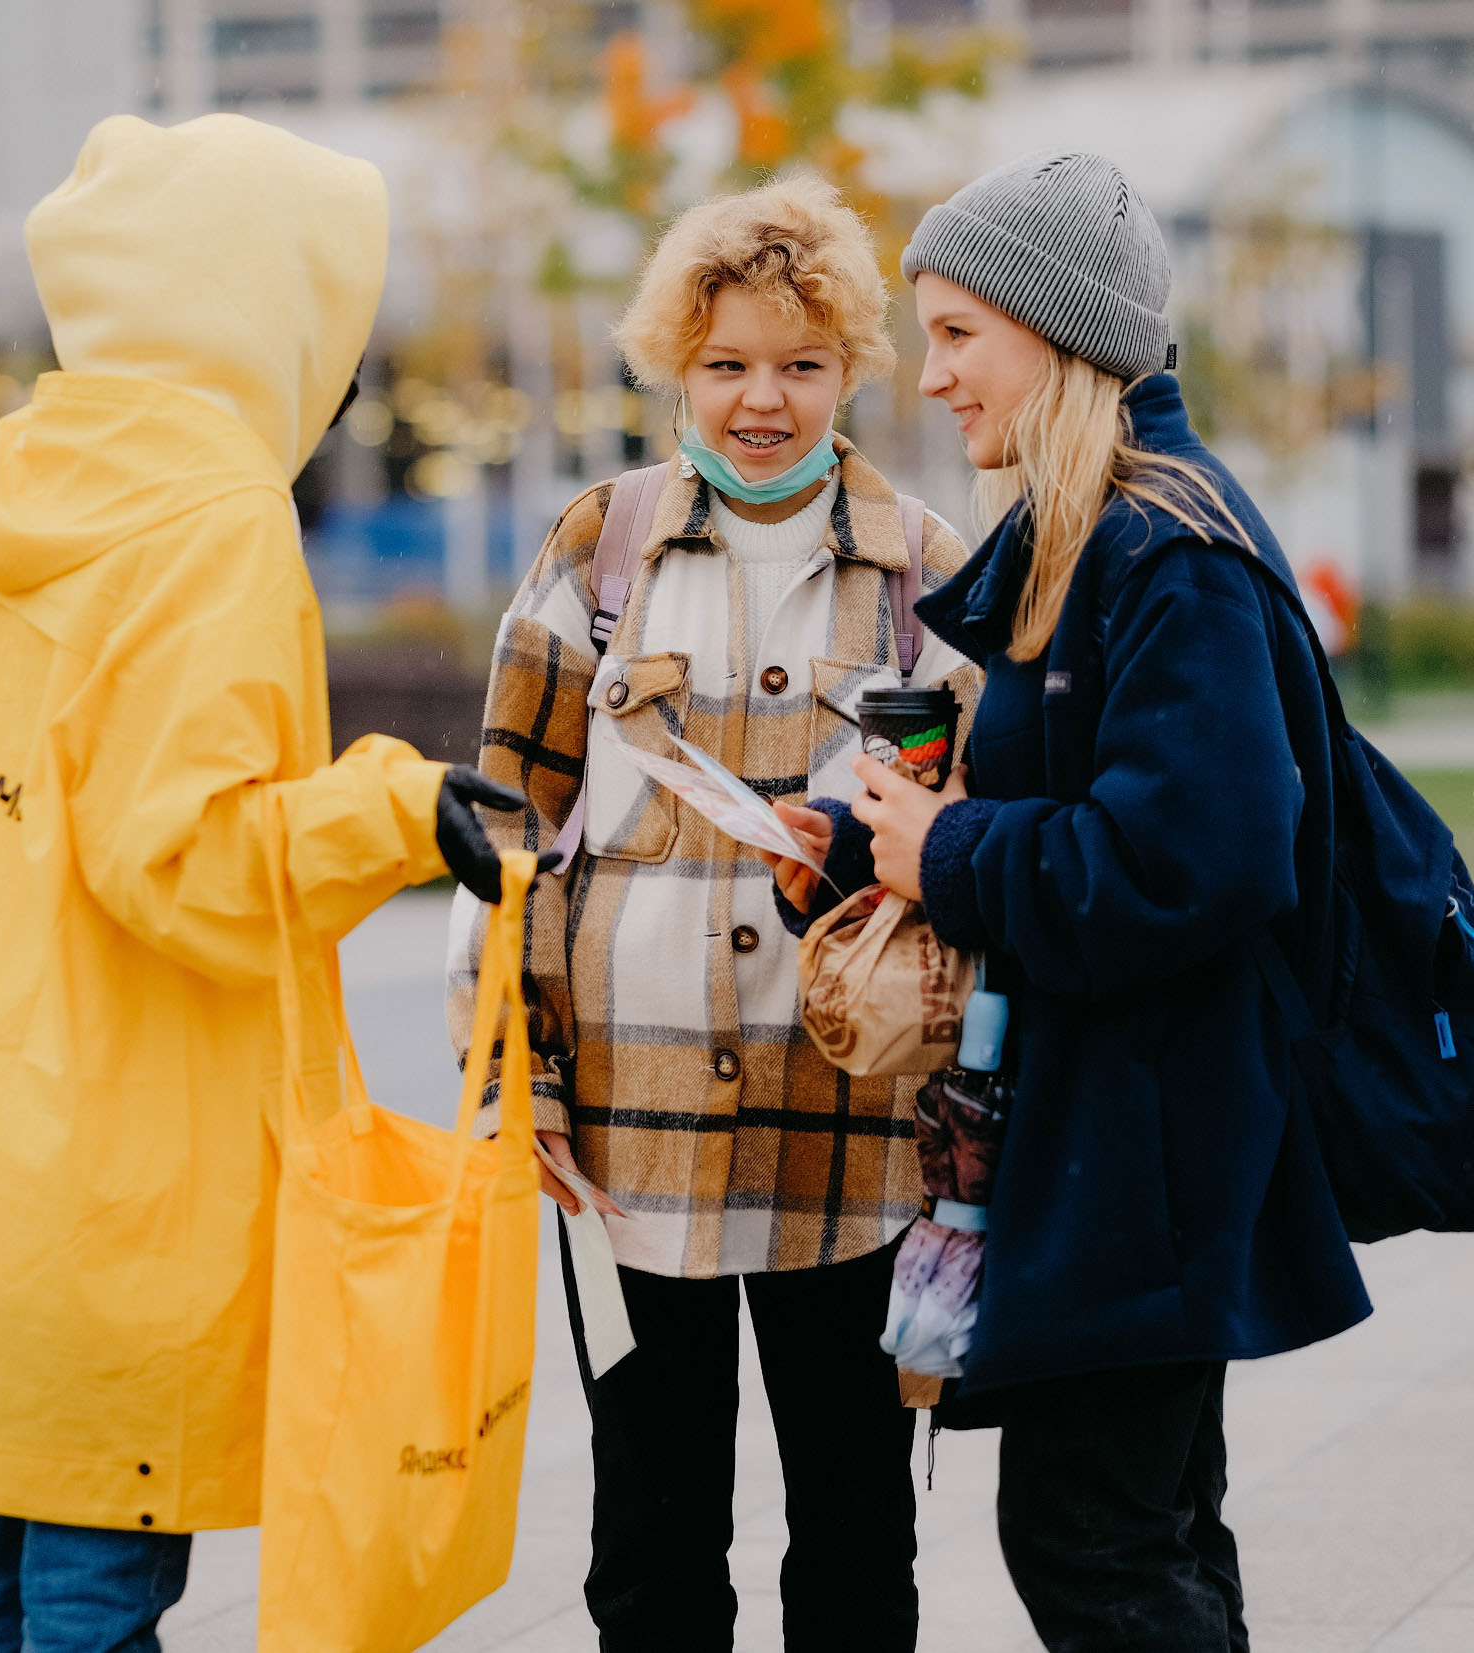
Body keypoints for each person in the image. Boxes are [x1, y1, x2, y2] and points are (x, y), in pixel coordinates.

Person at [0, 114, 536, 1653]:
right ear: (261, 307)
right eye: (335, 314)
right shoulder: (215, 518)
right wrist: (398, 811)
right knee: (90, 1603)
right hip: (129, 1180)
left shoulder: (43, 482)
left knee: (4, 1590)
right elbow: (183, 857)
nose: (346, 368)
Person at [762, 151, 1372, 1653]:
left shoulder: (1163, 549)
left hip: (1151, 1129)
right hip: (1124, 1117)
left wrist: (948, 853)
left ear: (1058, 334)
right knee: (1144, 1530)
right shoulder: (1098, 528)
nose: (931, 373)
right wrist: (864, 850)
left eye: (957, 333)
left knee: (1090, 1539)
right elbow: (1065, 807)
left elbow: (1200, 856)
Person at [447, 176, 978, 1652]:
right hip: (627, 1136)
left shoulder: (927, 567)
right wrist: (511, 1082)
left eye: (801, 365)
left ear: (849, 368)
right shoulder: (596, 546)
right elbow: (505, 824)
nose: (762, 401)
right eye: (728, 363)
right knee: (653, 1546)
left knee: (858, 1542)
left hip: (857, 1139)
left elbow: (979, 837)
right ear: (676, 362)